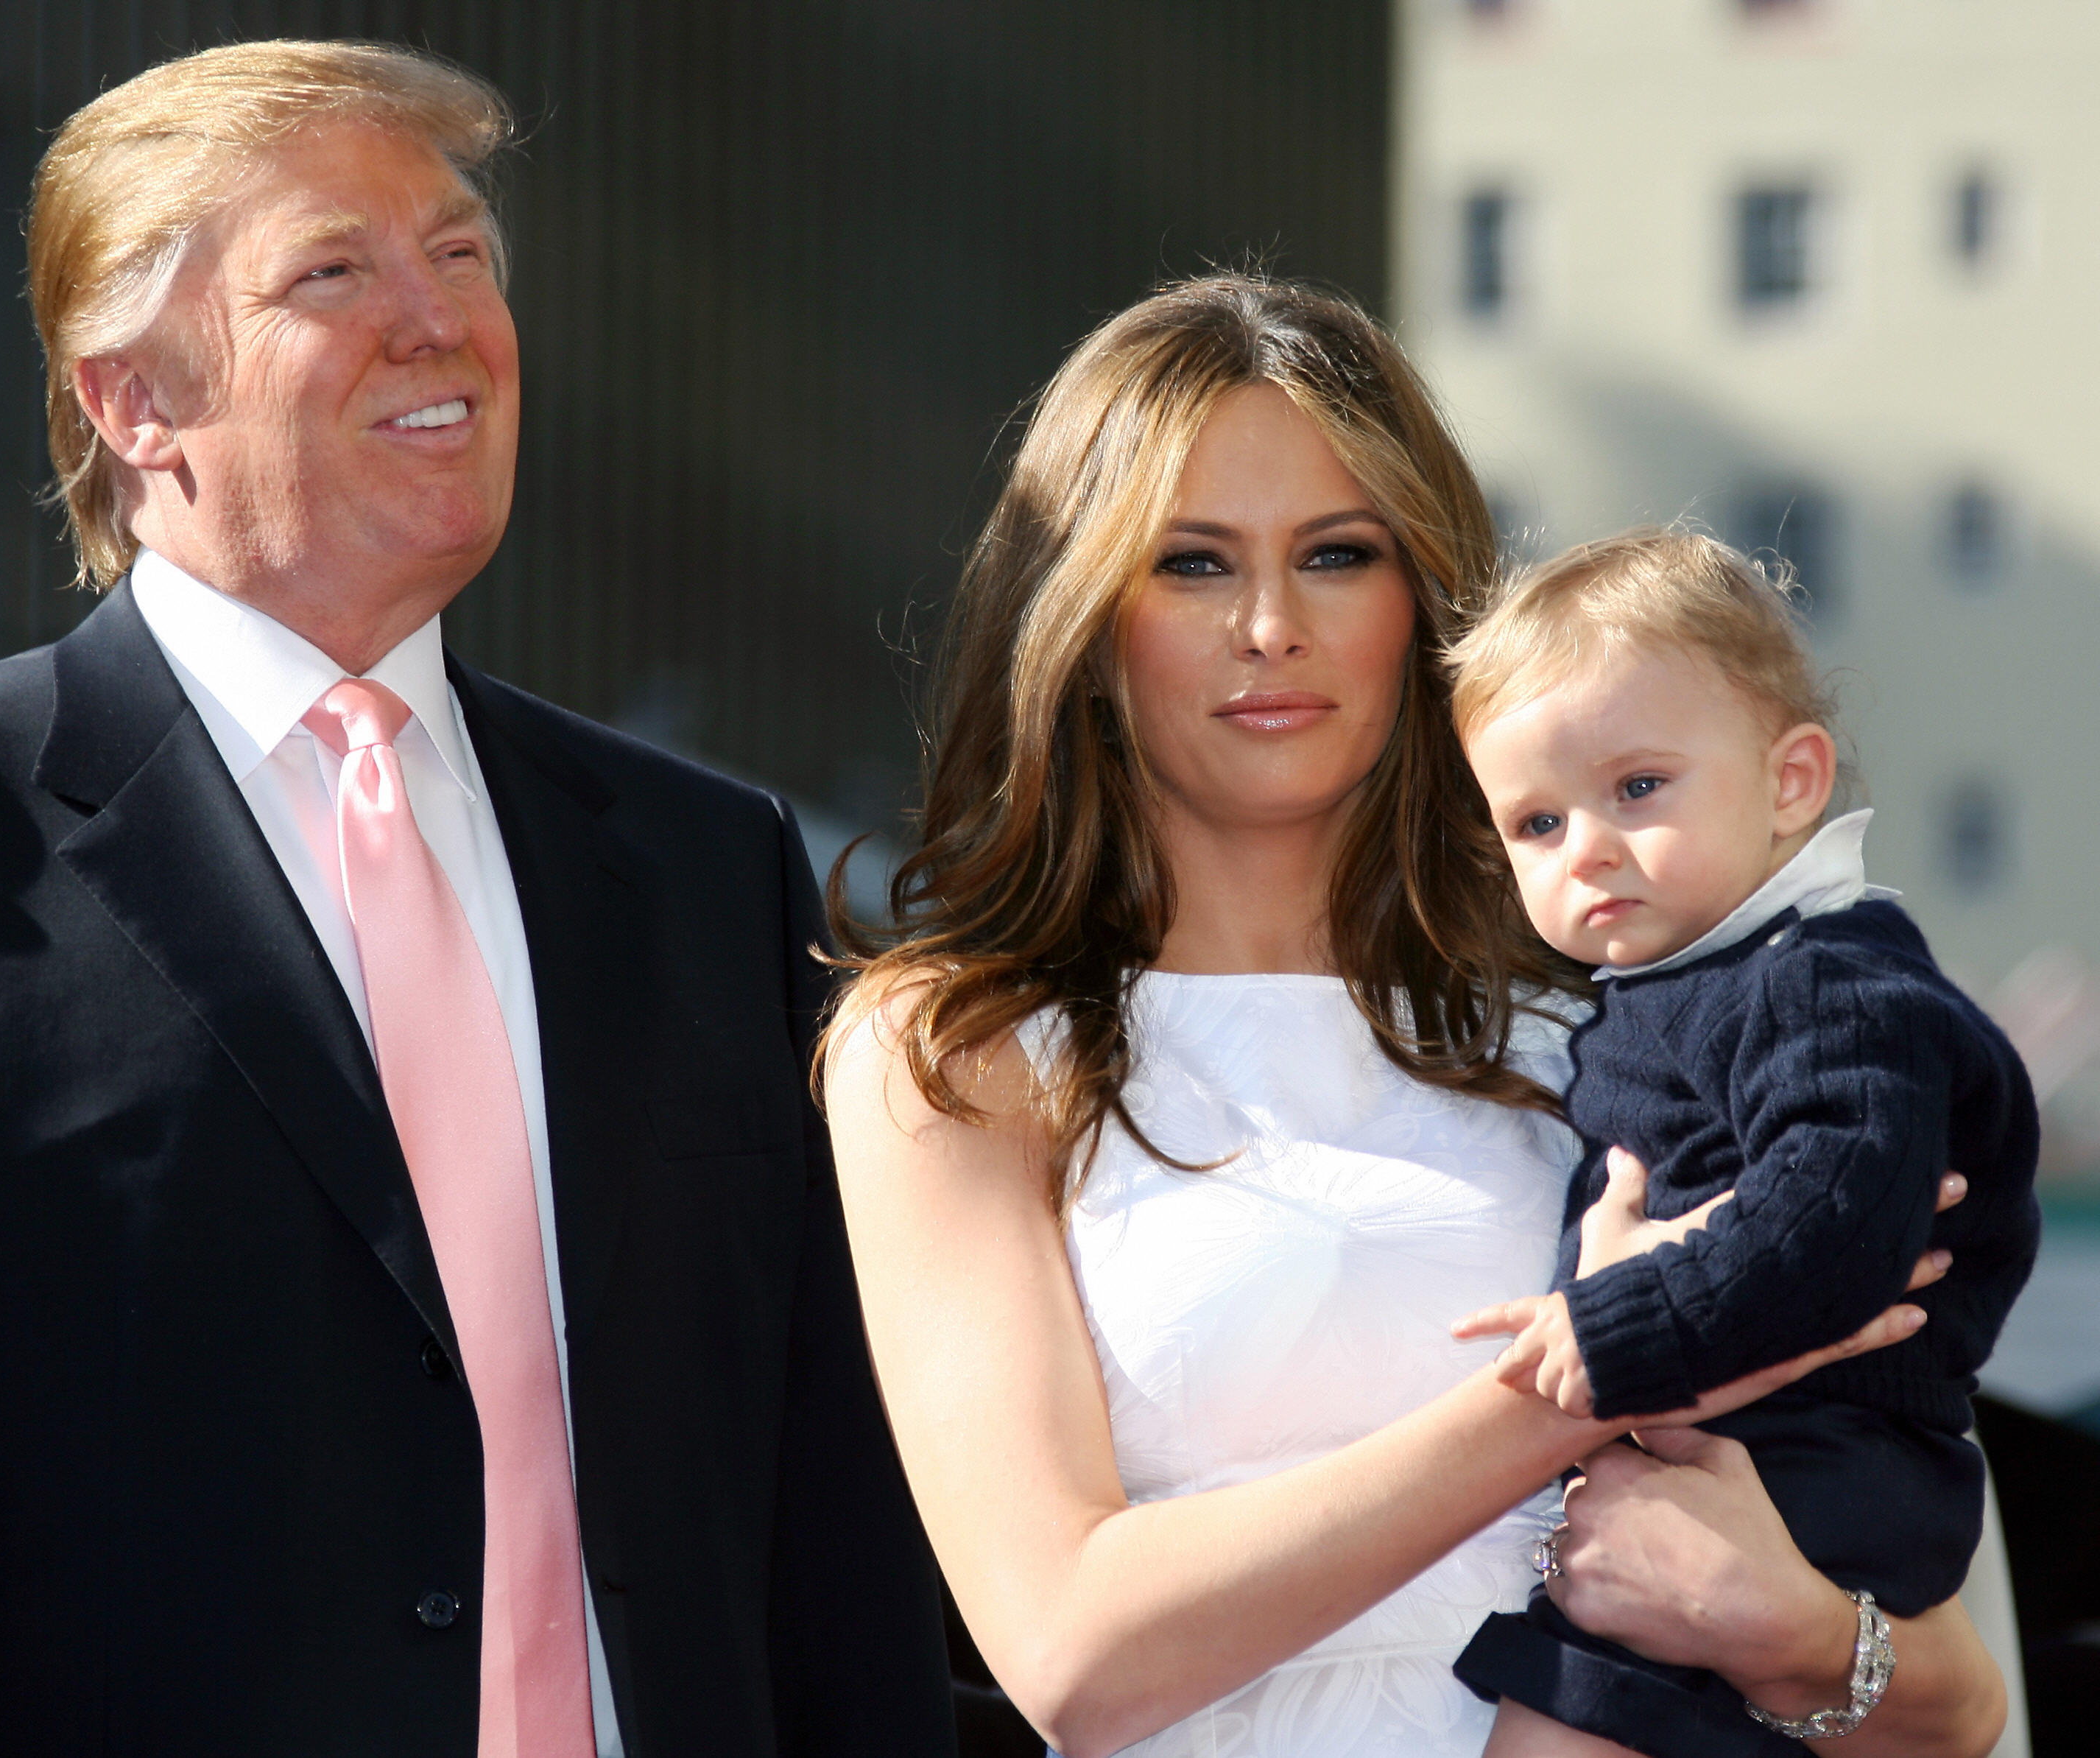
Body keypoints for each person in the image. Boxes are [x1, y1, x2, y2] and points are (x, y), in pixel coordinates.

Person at [0, 40, 953, 1757]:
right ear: (134, 402)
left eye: (462, 254)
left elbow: (828, 1518)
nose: (439, 316)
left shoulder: (705, 865)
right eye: (334, 272)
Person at [817, 275, 2009, 1758]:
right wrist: (1602, 1367)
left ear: (1423, 598)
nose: (1270, 626)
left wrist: (1796, 1634)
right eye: (1191, 565)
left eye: (1336, 554)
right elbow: (1073, 1652)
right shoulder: (955, 1051)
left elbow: (1958, 1708)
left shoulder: (1624, 1009)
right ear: (1083, 617)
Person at [1440, 530, 2040, 1757]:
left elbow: (1840, 1214)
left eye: (1639, 789)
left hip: (1830, 1457)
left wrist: (1614, 1333)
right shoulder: (1683, 977)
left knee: (1562, 1728)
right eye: (1537, 823)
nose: (1589, 848)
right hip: (1757, 1451)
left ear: (1791, 783)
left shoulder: (1828, 983)